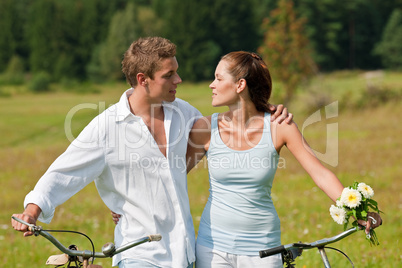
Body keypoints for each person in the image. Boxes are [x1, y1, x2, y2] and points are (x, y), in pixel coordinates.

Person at [11, 37, 292, 268]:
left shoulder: (185, 115)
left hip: (185, 252)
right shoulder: (107, 127)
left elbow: (229, 133)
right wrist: (32, 211)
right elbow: (63, 172)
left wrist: (266, 111)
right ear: (143, 79)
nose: (179, 80)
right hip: (139, 251)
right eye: (169, 75)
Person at [184, 51, 382, 268]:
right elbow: (173, 177)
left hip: (262, 248)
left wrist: (359, 211)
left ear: (240, 85)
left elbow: (320, 174)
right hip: (212, 248)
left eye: (219, 78)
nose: (212, 85)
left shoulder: (280, 126)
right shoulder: (204, 128)